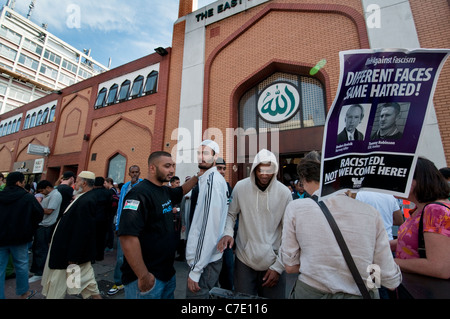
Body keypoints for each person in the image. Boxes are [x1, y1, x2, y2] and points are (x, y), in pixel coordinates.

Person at [280, 157, 402, 299]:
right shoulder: (371, 213)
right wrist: (369, 285)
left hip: (311, 291)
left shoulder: (296, 208)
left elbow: (289, 266)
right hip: (359, 292)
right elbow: (389, 278)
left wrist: (317, 264)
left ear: (304, 179)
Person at [118, 151, 200, 299]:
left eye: (173, 166)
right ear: (152, 168)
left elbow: (181, 190)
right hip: (147, 280)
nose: (172, 170)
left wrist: (198, 176)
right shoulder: (139, 194)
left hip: (167, 275)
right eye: (167, 166)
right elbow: (127, 238)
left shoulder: (164, 191)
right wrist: (143, 276)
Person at [218, 149, 292, 299]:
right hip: (244, 259)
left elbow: (288, 232)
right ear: (254, 169)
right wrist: (227, 232)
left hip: (273, 261)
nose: (264, 174)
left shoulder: (284, 193)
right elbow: (231, 214)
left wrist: (279, 267)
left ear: (275, 170)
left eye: (269, 170)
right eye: (260, 169)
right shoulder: (240, 187)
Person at [41, 171, 102, 299]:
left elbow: (82, 230)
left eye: (78, 181)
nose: (75, 184)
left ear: (84, 183)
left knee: (59, 285)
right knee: (85, 282)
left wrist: (74, 256)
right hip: (69, 253)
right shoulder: (83, 197)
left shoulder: (87, 200)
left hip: (68, 255)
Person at [392, 157, 450, 279]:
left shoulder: (435, 211)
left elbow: (440, 268)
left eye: (397, 178)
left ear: (413, 183)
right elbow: (414, 241)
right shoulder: (421, 209)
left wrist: (391, 263)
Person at [185, 140, 229, 299]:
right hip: (205, 260)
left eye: (206, 153)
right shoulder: (207, 180)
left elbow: (209, 229)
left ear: (215, 157)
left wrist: (196, 270)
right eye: (199, 153)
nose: (201, 157)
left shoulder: (212, 182)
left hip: (205, 263)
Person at [0, 172, 44, 299]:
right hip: (20, 237)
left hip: (1, 237)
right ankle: (24, 293)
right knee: (21, 265)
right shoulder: (27, 197)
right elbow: (39, 214)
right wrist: (29, 227)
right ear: (19, 182)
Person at [107, 165, 143, 296]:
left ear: (140, 172)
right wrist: (117, 225)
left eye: (136, 172)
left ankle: (139, 281)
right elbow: (121, 205)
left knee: (140, 256)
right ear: (129, 173)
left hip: (139, 228)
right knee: (121, 258)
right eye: (132, 172)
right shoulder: (124, 186)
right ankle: (118, 282)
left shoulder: (143, 185)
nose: (134, 174)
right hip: (124, 227)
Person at [29, 180, 62, 283]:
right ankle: (35, 269)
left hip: (46, 225)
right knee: (37, 248)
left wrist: (36, 206)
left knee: (41, 249)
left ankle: (40, 272)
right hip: (41, 224)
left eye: (42, 190)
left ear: (48, 187)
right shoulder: (49, 195)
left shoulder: (55, 195)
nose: (42, 192)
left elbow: (49, 210)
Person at [216, 157, 235, 291]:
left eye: (224, 169)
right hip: (210, 238)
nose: (222, 171)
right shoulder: (202, 187)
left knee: (228, 270)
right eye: (219, 168)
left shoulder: (228, 187)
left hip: (225, 237)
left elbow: (233, 213)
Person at [92, 177, 113, 261]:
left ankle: (92, 256)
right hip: (104, 218)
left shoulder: (92, 193)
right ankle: (100, 256)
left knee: (92, 238)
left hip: (93, 218)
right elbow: (110, 205)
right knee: (101, 238)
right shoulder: (107, 193)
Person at [104, 177, 119, 251]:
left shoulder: (111, 191)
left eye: (105, 183)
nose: (104, 185)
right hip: (112, 212)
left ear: (109, 182)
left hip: (110, 212)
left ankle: (109, 245)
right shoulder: (114, 190)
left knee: (109, 228)